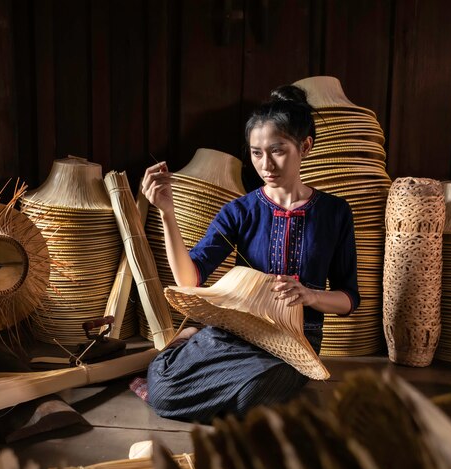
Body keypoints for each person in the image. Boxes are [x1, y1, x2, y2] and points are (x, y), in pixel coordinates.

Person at [140, 85, 360, 422]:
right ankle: (187, 350)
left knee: (253, 398)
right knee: (164, 394)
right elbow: (191, 278)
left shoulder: (335, 212)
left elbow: (348, 298)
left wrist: (310, 296)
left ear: (305, 146)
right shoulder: (239, 211)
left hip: (296, 340)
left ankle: (211, 376)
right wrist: (167, 213)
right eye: (256, 153)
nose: (265, 164)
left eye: (277, 150)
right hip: (236, 328)